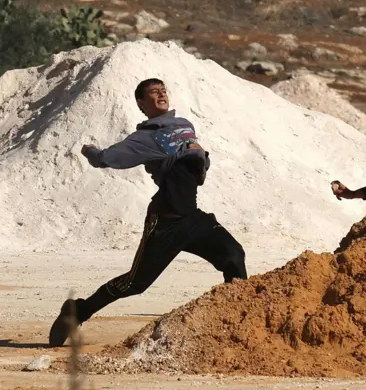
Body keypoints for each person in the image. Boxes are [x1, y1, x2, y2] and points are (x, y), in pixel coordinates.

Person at [48, 78, 248, 347]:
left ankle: (236, 321)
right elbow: (107, 158)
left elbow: (198, 171)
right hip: (165, 223)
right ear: (142, 104)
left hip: (192, 218)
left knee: (234, 255)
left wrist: (203, 155)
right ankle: (78, 310)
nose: (161, 93)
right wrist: (89, 150)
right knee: (134, 284)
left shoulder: (185, 125)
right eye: (154, 92)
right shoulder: (144, 139)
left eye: (163, 89)